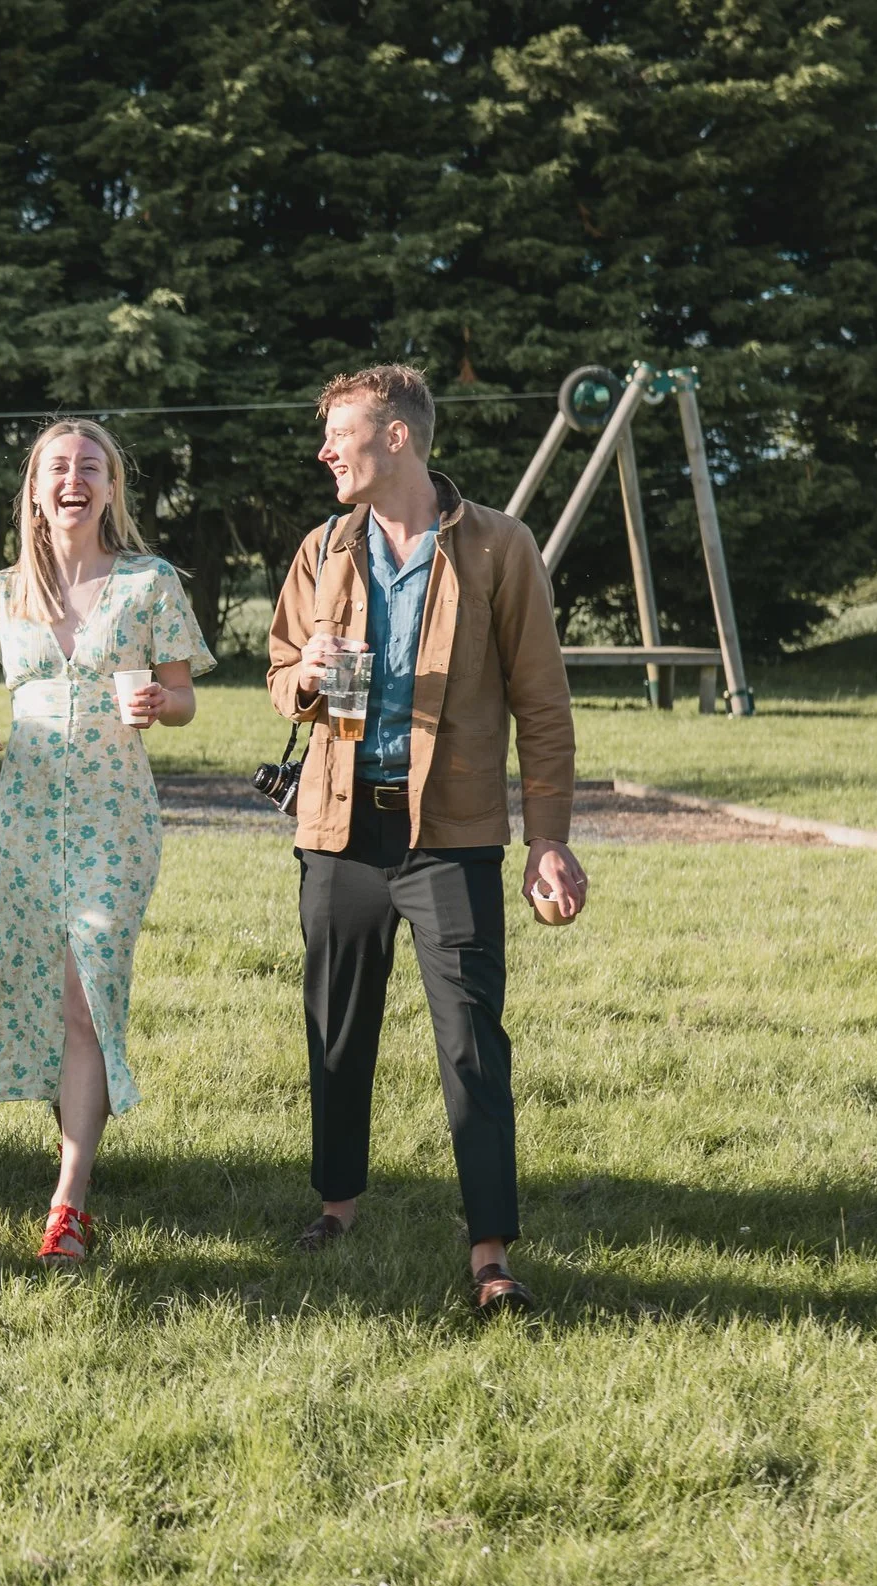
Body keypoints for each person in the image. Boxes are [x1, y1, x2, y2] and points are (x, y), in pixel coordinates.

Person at [268, 362, 587, 1317]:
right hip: (337, 830)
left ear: (396, 436)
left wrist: (548, 839)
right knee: (336, 1027)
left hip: (451, 837)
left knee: (472, 1043)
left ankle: (490, 1250)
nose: (325, 450)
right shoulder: (324, 547)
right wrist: (308, 674)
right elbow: (282, 674)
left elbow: (543, 703)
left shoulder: (498, 547)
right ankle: (338, 1204)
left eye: (340, 432)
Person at [0, 420, 214, 1265]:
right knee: (54, 1003)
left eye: (91, 467)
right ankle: (75, 1141)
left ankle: (69, 1202)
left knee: (89, 991)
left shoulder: (149, 583)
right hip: (26, 815)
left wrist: (163, 706)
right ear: (36, 488)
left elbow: (184, 697)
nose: (74, 479)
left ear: (112, 489)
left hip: (114, 815)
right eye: (58, 467)